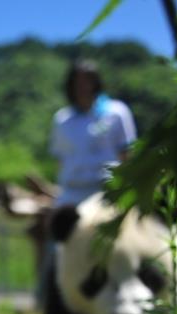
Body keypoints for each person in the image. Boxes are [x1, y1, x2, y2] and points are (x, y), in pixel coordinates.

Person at [49, 60, 137, 206]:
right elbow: (60, 159)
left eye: (87, 81)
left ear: (96, 83)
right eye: (77, 82)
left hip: (107, 191)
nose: (82, 87)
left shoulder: (117, 112)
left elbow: (126, 153)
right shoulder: (62, 118)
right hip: (71, 193)